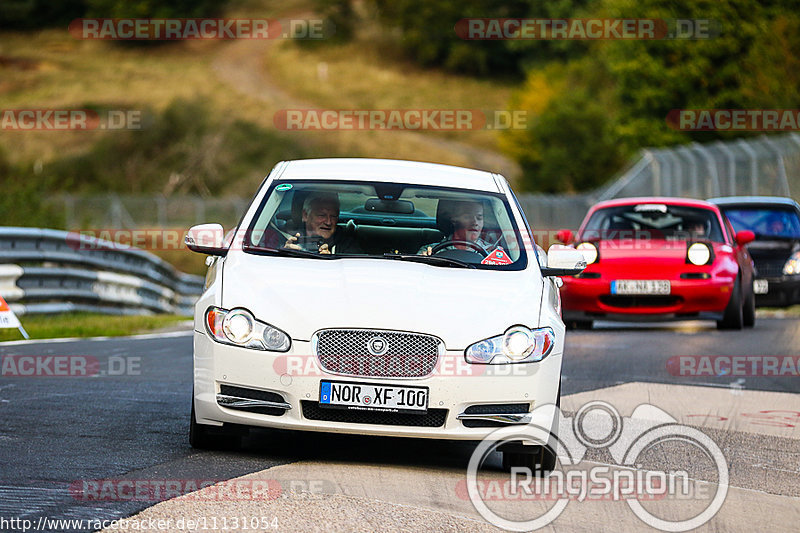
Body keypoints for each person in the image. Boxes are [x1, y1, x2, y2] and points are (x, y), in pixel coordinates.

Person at [284, 193, 362, 254]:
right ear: (305, 215)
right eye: (321, 215)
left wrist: (330, 259)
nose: (328, 222)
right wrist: (285, 254)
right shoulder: (289, 235)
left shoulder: (346, 242)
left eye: (333, 216)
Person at [419, 199, 494, 256]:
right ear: (454, 220)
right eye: (467, 217)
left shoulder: (491, 252)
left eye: (479, 218)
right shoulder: (430, 251)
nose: (475, 223)